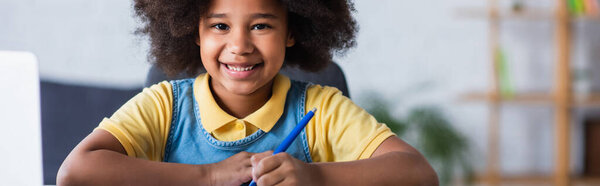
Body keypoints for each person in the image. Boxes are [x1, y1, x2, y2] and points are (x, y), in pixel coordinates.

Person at [57, 0, 438, 185]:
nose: (239, 45)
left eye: (260, 26)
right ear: (195, 31)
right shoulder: (165, 105)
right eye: (220, 26)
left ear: (293, 31)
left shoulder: (321, 108)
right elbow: (75, 173)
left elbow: (418, 173)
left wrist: (315, 178)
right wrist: (207, 175)